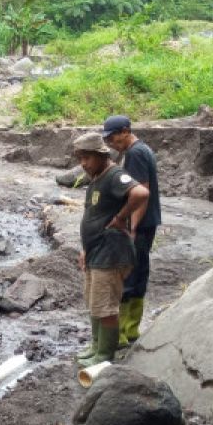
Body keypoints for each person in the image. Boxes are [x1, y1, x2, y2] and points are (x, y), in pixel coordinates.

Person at [74, 131, 150, 367]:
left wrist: (121, 217)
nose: (83, 164)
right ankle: (96, 345)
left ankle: (105, 354)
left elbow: (141, 192)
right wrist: (86, 248)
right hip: (96, 251)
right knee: (95, 301)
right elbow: (94, 215)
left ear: (101, 155)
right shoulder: (97, 178)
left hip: (111, 253)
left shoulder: (115, 175)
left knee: (106, 306)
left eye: (87, 158)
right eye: (81, 158)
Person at [102, 115, 161, 347]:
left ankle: (123, 334)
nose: (111, 143)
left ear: (126, 131)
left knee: (128, 275)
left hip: (140, 223)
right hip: (149, 222)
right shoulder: (143, 149)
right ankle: (132, 329)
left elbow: (142, 192)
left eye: (114, 137)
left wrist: (131, 226)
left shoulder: (135, 154)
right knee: (139, 273)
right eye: (108, 139)